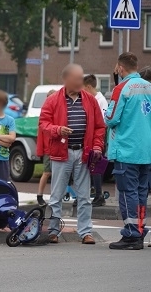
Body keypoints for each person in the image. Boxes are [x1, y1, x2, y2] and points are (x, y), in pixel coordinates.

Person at [39, 64, 106, 245]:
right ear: (66, 79)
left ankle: (85, 232)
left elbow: (100, 126)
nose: (80, 82)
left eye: (81, 78)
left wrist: (97, 146)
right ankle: (53, 231)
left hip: (83, 153)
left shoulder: (90, 100)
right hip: (61, 152)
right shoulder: (53, 100)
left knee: (84, 195)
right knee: (57, 194)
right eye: (76, 79)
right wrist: (58, 130)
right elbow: (43, 123)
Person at [105, 53, 151, 250]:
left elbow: (111, 118)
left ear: (120, 68)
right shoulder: (149, 87)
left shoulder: (121, 88)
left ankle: (131, 233)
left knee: (126, 193)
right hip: (146, 150)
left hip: (126, 149)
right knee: (141, 193)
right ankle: (140, 229)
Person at [83, 74, 109, 207]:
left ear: (88, 86)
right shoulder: (95, 99)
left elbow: (102, 122)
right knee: (90, 168)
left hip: (96, 139)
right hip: (91, 138)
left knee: (95, 167)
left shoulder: (100, 100)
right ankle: (91, 194)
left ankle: (99, 195)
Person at [35, 89, 56, 206]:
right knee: (47, 172)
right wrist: (41, 150)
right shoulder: (45, 113)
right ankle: (39, 195)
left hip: (57, 147)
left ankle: (55, 196)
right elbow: (42, 133)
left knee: (58, 173)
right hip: (49, 148)